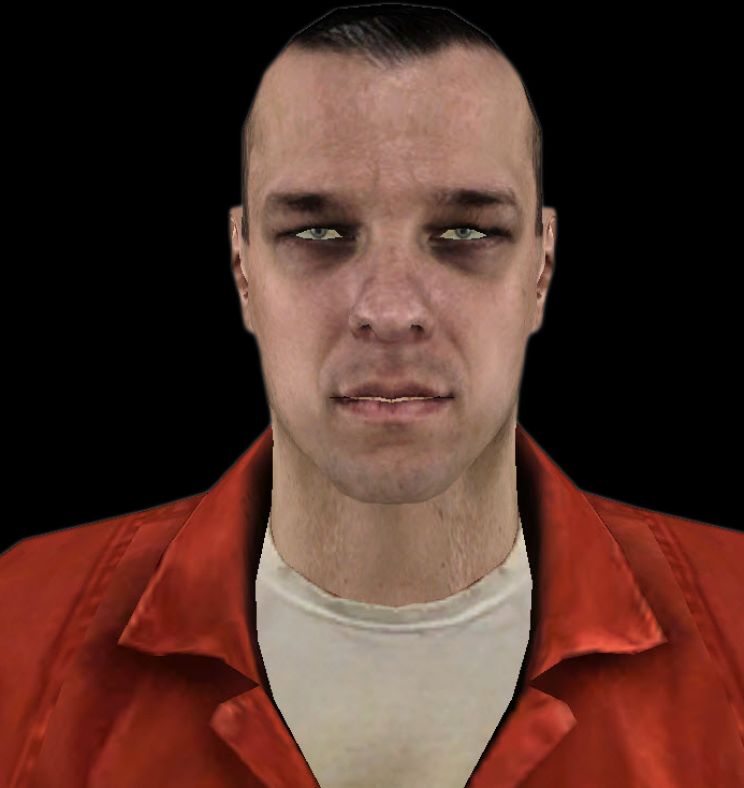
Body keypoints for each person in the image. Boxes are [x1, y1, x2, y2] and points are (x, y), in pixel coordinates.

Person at [2, 6, 743, 787]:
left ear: (542, 268)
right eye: (319, 233)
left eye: (466, 233)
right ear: (242, 267)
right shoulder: (21, 628)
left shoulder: (735, 620)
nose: (390, 311)